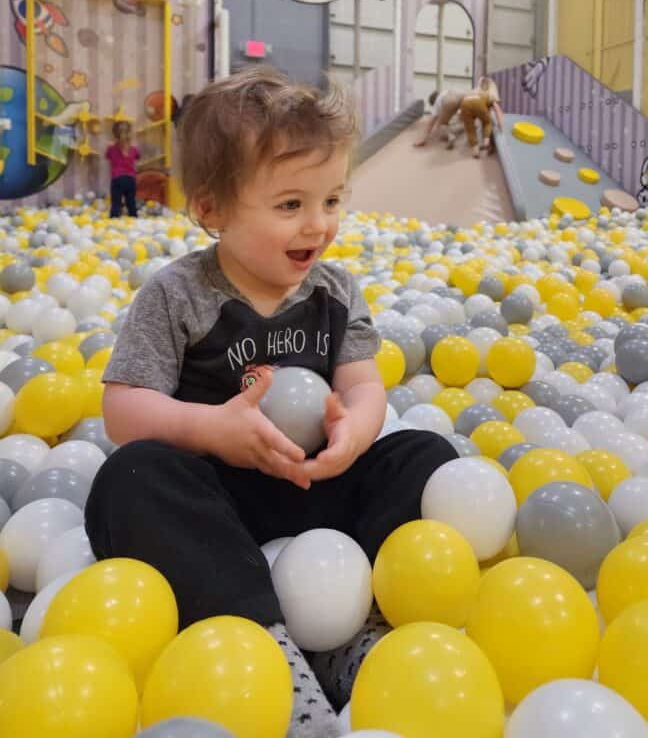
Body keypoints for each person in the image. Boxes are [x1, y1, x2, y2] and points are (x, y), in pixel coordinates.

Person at [84, 67, 455, 738]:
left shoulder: (334, 290)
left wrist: (354, 434)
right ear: (211, 210)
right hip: (219, 502)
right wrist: (212, 429)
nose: (319, 225)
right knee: (130, 478)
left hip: (314, 488)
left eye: (333, 199)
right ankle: (268, 651)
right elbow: (123, 410)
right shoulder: (177, 296)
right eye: (291, 205)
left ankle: (348, 632)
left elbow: (363, 384)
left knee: (425, 454)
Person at [459, 76, 503, 158]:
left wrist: (462, 119)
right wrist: (500, 123)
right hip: (478, 102)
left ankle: (475, 151)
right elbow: (497, 109)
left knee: (470, 129)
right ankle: (486, 143)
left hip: (464, 103)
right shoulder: (489, 93)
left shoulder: (474, 91)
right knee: (488, 122)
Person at [105, 121, 139, 217]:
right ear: (130, 134)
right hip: (130, 179)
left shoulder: (111, 149)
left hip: (117, 179)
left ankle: (115, 218)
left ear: (114, 135)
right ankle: (134, 217)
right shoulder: (133, 149)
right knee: (131, 202)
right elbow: (137, 156)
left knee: (116, 202)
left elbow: (107, 156)